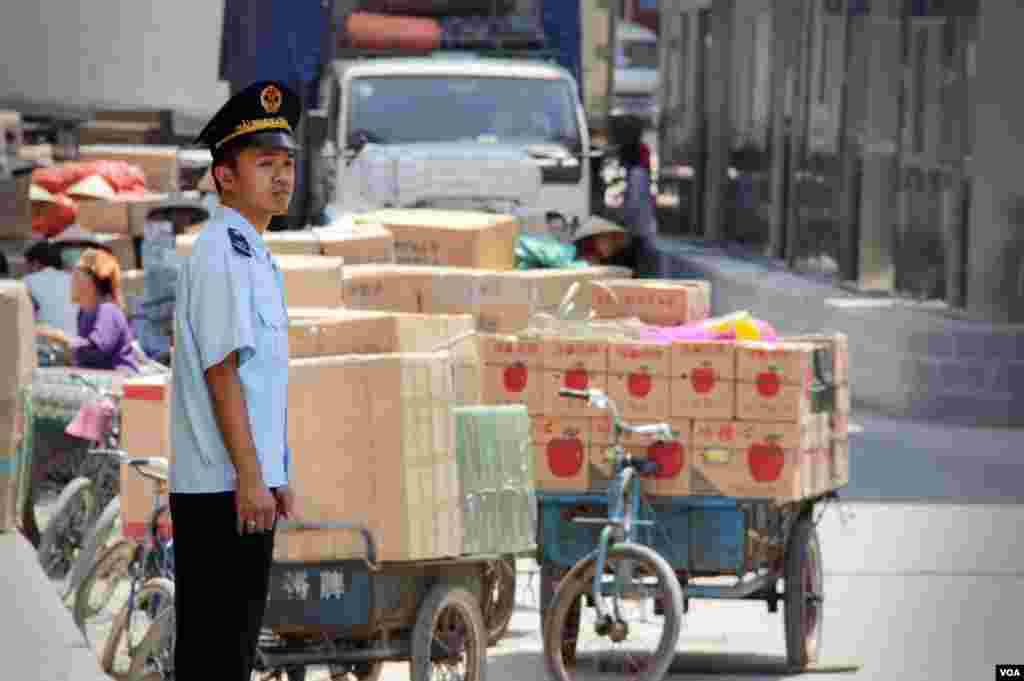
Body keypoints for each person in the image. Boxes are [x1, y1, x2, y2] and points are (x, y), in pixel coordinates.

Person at [169, 80, 299, 681]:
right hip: (222, 490)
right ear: (224, 177)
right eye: (264, 163)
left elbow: (263, 381)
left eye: (287, 163)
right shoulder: (221, 250)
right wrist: (252, 478)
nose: (281, 176)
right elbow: (222, 372)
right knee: (216, 659)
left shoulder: (256, 255)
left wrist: (278, 474)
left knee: (232, 656)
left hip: (244, 487)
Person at [36, 247, 140, 373]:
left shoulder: (108, 310)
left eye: (77, 274)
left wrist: (59, 337)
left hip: (120, 381)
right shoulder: (83, 313)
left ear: (91, 281)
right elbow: (83, 356)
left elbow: (97, 350)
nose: (72, 279)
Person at [618, 133, 665, 278]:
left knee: (635, 264)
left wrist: (624, 220)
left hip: (638, 229)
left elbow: (634, 204)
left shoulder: (636, 174)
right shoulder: (640, 173)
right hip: (642, 228)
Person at [23, 240, 78, 336]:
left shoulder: (27, 281)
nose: (27, 269)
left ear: (36, 263)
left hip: (44, 343)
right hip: (74, 341)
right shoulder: (74, 280)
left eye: (28, 265)